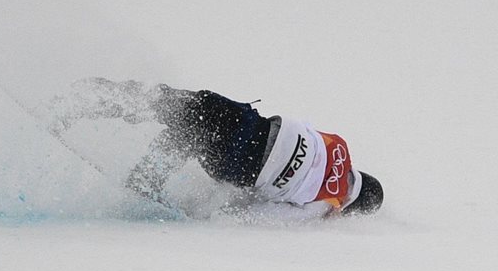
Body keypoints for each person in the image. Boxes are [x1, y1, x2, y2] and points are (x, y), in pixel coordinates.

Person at [39, 78, 384, 219]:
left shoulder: (339, 143)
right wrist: (217, 216)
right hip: (243, 165)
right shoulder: (329, 206)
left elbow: (303, 132)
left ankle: (86, 96)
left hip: (249, 123)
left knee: (176, 107)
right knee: (188, 134)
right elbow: (264, 213)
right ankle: (144, 180)